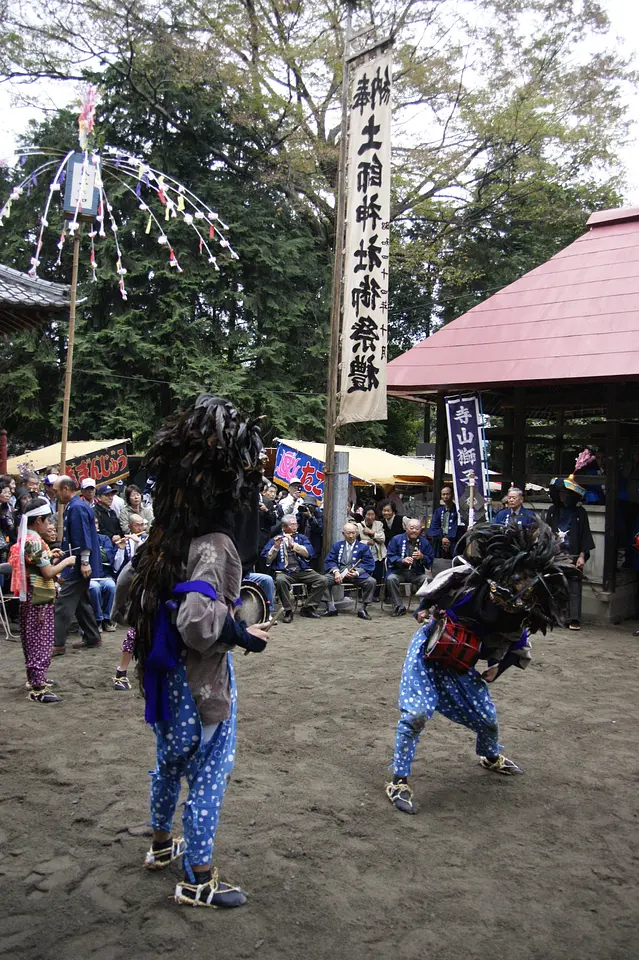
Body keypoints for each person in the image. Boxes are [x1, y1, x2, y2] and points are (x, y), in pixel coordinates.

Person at [127, 394, 270, 908]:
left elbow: (133, 594)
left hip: (161, 683)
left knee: (167, 765)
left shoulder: (163, 542)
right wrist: (242, 634)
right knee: (209, 775)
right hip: (199, 685)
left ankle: (161, 846)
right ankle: (199, 878)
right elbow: (196, 623)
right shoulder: (216, 543)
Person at [385, 521, 571, 815]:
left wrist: (497, 669)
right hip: (429, 649)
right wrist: (424, 609)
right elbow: (442, 586)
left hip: (461, 663)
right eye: (518, 580)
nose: (519, 589)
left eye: (526, 586)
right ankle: (398, 780)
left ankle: (490, 756)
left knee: (488, 719)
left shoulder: (519, 618)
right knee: (416, 713)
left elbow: (517, 648)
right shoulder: (473, 585)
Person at [8, 497, 76, 702]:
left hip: (30, 593)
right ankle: (37, 687)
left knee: (32, 637)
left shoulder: (27, 538)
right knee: (40, 639)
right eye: (47, 521)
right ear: (38, 521)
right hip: (38, 595)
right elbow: (47, 573)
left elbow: (38, 565)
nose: (49, 525)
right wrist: (65, 562)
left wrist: (51, 556)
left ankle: (35, 678)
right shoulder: (35, 541)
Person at [53, 477, 103, 654]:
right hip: (75, 561)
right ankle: (92, 636)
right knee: (81, 602)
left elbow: (83, 536)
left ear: (66, 489)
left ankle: (57, 643)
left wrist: (84, 561)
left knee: (62, 603)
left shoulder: (77, 507)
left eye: (56, 490)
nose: (55, 494)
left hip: (79, 564)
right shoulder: (75, 506)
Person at [545, 477, 594, 630]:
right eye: (560, 493)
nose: (562, 496)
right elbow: (546, 532)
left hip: (572, 554)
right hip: (555, 554)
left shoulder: (580, 512)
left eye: (565, 493)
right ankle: (556, 616)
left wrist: (582, 555)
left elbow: (585, 535)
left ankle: (574, 619)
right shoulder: (553, 511)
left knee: (574, 587)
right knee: (554, 586)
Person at [261, 515, 327, 622]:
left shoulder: (301, 538)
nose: (295, 527)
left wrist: (294, 546)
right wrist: (276, 547)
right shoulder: (275, 539)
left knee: (322, 580)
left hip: (301, 570)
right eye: (292, 525)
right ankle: (288, 610)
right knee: (280, 580)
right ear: (284, 527)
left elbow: (309, 554)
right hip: (285, 572)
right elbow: (267, 559)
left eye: (296, 524)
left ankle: (308, 608)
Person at [324, 522, 376, 620]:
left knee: (371, 581)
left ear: (357, 533)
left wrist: (356, 572)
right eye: (348, 533)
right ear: (343, 534)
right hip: (339, 574)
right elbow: (329, 560)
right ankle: (330, 606)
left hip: (356, 575)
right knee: (322, 580)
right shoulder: (337, 546)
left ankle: (363, 608)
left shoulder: (363, 547)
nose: (351, 536)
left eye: (353, 533)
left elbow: (369, 563)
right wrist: (336, 571)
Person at [385, 519, 434, 616]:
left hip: (416, 572)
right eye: (411, 528)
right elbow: (390, 556)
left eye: (417, 528)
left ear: (420, 530)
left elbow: (430, 559)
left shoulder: (424, 542)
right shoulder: (396, 539)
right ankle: (398, 606)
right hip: (399, 572)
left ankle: (423, 608)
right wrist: (401, 560)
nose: (414, 531)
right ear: (406, 529)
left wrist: (422, 557)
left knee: (427, 579)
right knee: (391, 579)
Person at [90, 521, 118, 632]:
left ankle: (107, 618)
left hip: (104, 575)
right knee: (94, 588)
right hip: (89, 577)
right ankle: (97, 620)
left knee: (111, 586)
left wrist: (96, 553)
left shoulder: (104, 538)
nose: (95, 525)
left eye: (96, 523)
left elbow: (107, 557)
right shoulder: (82, 539)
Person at [427, 485, 462, 558]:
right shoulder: (438, 511)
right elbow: (433, 527)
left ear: (452, 495)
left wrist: (449, 538)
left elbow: (458, 527)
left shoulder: (458, 511)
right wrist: (442, 538)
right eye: (443, 494)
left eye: (447, 494)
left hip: (454, 541)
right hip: (440, 540)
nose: (445, 496)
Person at [357, 505, 386, 585]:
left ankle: (376, 596)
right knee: (364, 576)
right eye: (368, 514)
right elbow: (355, 542)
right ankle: (361, 595)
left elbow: (382, 538)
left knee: (378, 576)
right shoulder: (358, 526)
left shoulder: (379, 524)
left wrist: (371, 532)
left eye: (372, 514)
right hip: (364, 556)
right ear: (364, 515)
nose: (370, 517)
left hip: (377, 556)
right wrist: (366, 542)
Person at [296, 495, 323, 569]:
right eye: (305, 505)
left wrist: (311, 517)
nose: (308, 508)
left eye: (310, 506)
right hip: (302, 543)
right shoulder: (301, 513)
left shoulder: (319, 514)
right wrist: (300, 513)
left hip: (314, 543)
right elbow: (296, 525)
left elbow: (319, 529)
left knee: (312, 565)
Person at [0, 481, 17, 552]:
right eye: (4, 492)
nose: (7, 495)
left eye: (9, 493)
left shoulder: (10, 506)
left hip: (8, 539)